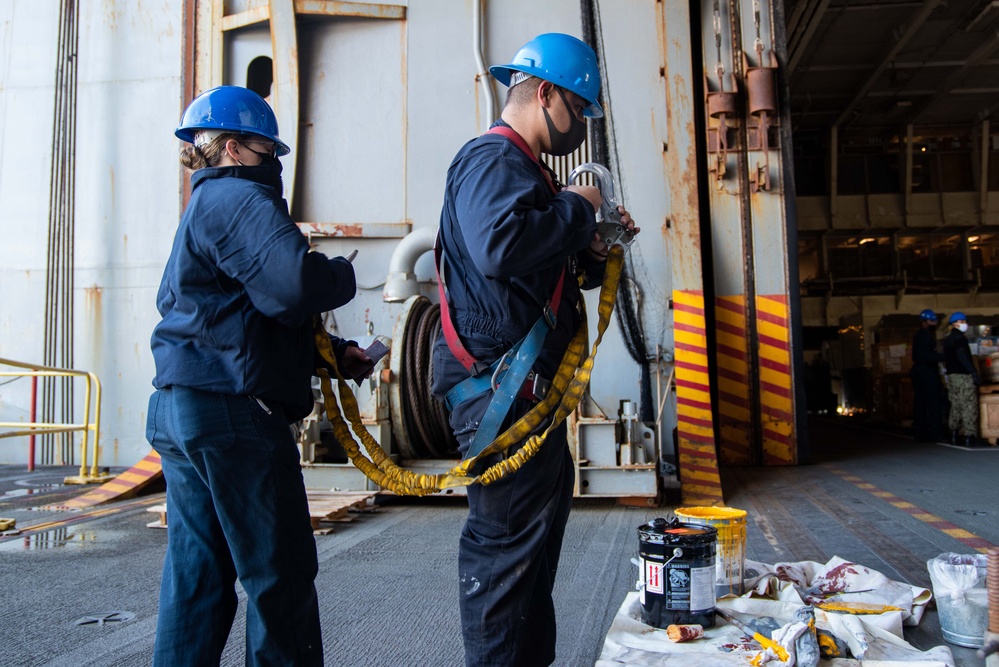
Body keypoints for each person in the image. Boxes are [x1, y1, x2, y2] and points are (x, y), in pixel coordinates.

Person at [431, 33, 640, 666]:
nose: (580, 126)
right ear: (544, 93)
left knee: (529, 559)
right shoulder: (492, 161)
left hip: (526, 393)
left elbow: (534, 267)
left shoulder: (529, 175)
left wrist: (593, 248)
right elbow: (500, 247)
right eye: (577, 110)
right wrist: (578, 208)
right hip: (500, 391)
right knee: (505, 559)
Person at [146, 85, 371, 666]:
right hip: (233, 414)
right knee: (280, 579)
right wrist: (339, 277)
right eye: (267, 149)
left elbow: (234, 315)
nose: (273, 163)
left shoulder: (200, 210)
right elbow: (294, 285)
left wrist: (332, 353)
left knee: (199, 579)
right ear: (233, 149)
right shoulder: (241, 201)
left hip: (184, 408)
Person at [943, 311, 980, 446]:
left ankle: (954, 433)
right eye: (962, 322)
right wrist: (973, 372)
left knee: (955, 405)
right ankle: (969, 436)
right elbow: (963, 357)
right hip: (963, 376)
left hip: (952, 377)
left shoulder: (947, 340)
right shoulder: (960, 339)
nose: (965, 324)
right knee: (968, 405)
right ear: (955, 324)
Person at [910, 309, 944, 442]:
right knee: (933, 403)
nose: (934, 323)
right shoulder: (924, 337)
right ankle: (934, 433)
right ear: (924, 322)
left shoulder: (921, 336)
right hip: (926, 374)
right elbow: (924, 356)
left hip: (921, 373)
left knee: (921, 403)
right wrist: (941, 356)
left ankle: (920, 432)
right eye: (931, 321)